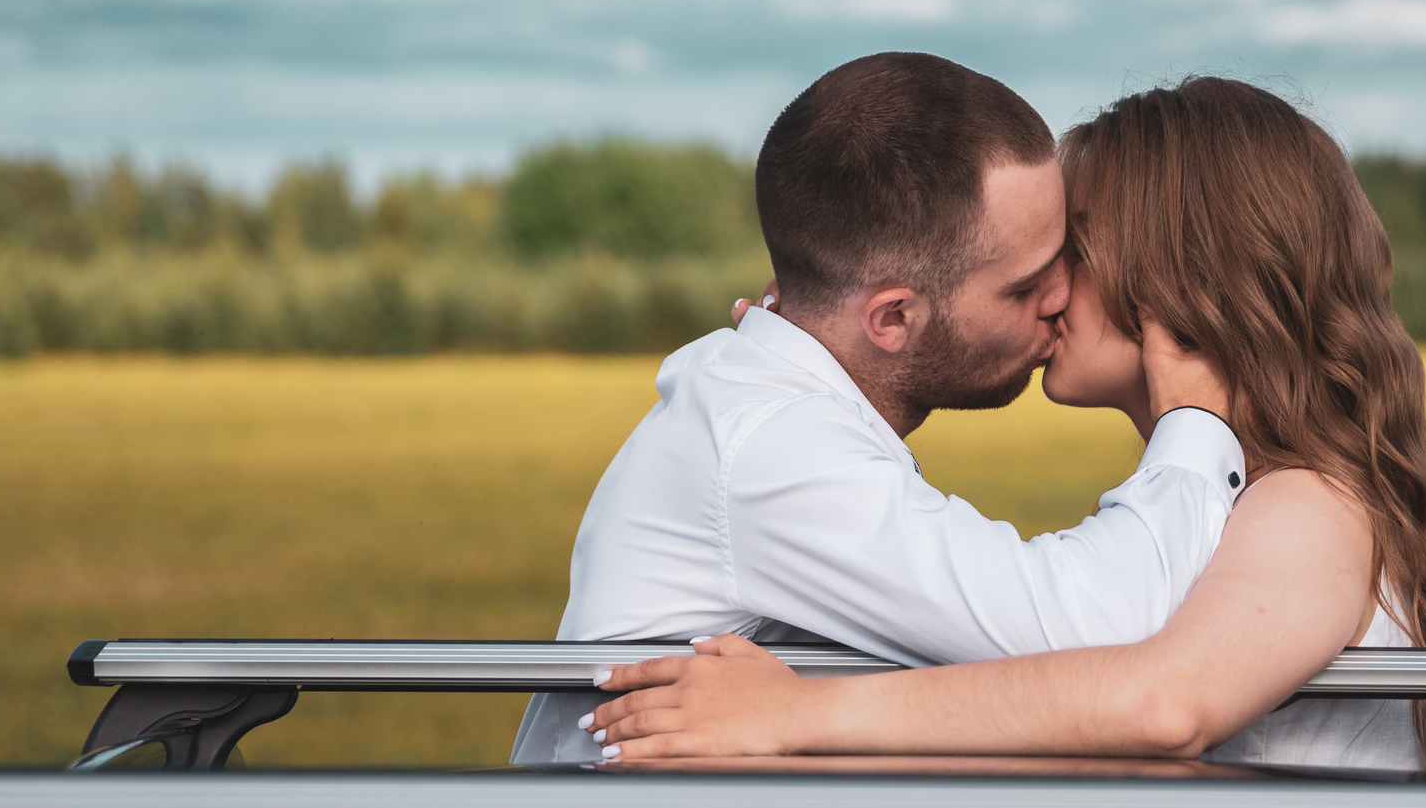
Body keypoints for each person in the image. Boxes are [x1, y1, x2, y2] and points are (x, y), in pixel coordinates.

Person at [585, 77, 1426, 776]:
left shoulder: (1304, 505)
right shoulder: (765, 435)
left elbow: (1155, 696)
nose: (1057, 291)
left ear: (1185, 288)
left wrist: (799, 715)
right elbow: (1085, 650)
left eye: (1078, 250)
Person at [510, 52, 1248, 764]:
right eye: (1023, 288)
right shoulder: (775, 448)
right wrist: (1196, 418)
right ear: (891, 319)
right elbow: (1094, 627)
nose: (1062, 296)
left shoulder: (764, 396)